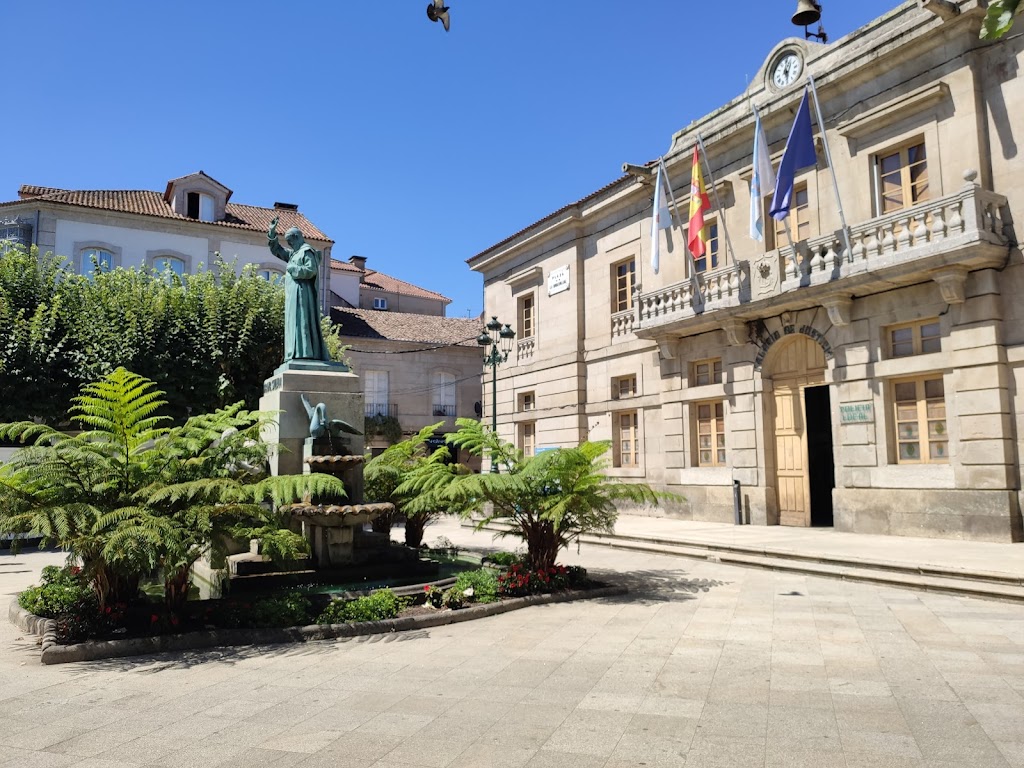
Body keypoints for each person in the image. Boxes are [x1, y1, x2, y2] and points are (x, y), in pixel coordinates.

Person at [267, 216, 330, 363]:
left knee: (302, 322)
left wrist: (293, 268)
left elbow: (311, 270)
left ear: (297, 238)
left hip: (303, 294)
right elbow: (278, 250)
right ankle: (295, 353)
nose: (289, 245)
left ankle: (305, 353)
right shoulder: (294, 254)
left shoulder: (307, 251)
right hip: (293, 296)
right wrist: (271, 233)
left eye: (290, 242)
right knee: (293, 324)